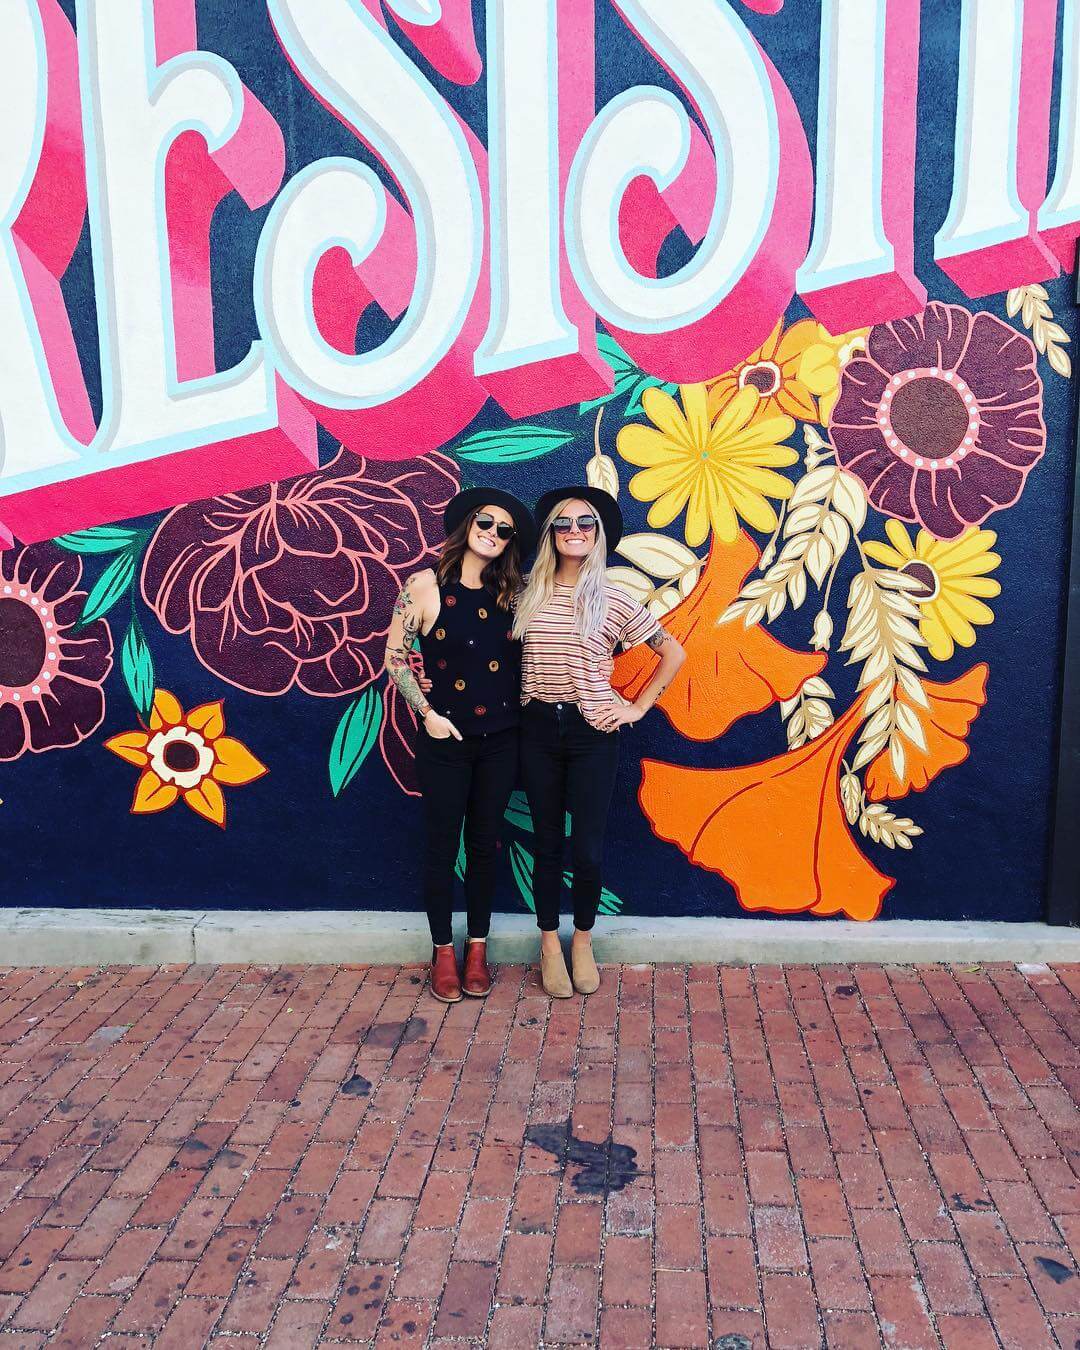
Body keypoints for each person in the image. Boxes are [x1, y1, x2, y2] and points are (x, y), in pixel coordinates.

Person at [512, 486, 685, 997]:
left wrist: (636, 706)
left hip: (592, 733)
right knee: (545, 843)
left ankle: (582, 941)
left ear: (598, 534)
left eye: (585, 524)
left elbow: (671, 653)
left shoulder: (614, 599)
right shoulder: (524, 592)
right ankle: (548, 944)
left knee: (586, 849)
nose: (574, 532)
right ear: (549, 535)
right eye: (563, 524)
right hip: (536, 730)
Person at [384, 488, 536, 1003]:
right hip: (444, 739)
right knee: (442, 845)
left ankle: (477, 949)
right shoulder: (424, 586)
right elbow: (396, 658)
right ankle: (442, 951)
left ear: (511, 542)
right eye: (486, 522)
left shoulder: (513, 595)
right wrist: (426, 715)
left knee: (484, 846)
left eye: (504, 529)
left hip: (501, 740)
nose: (492, 533)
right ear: (469, 523)